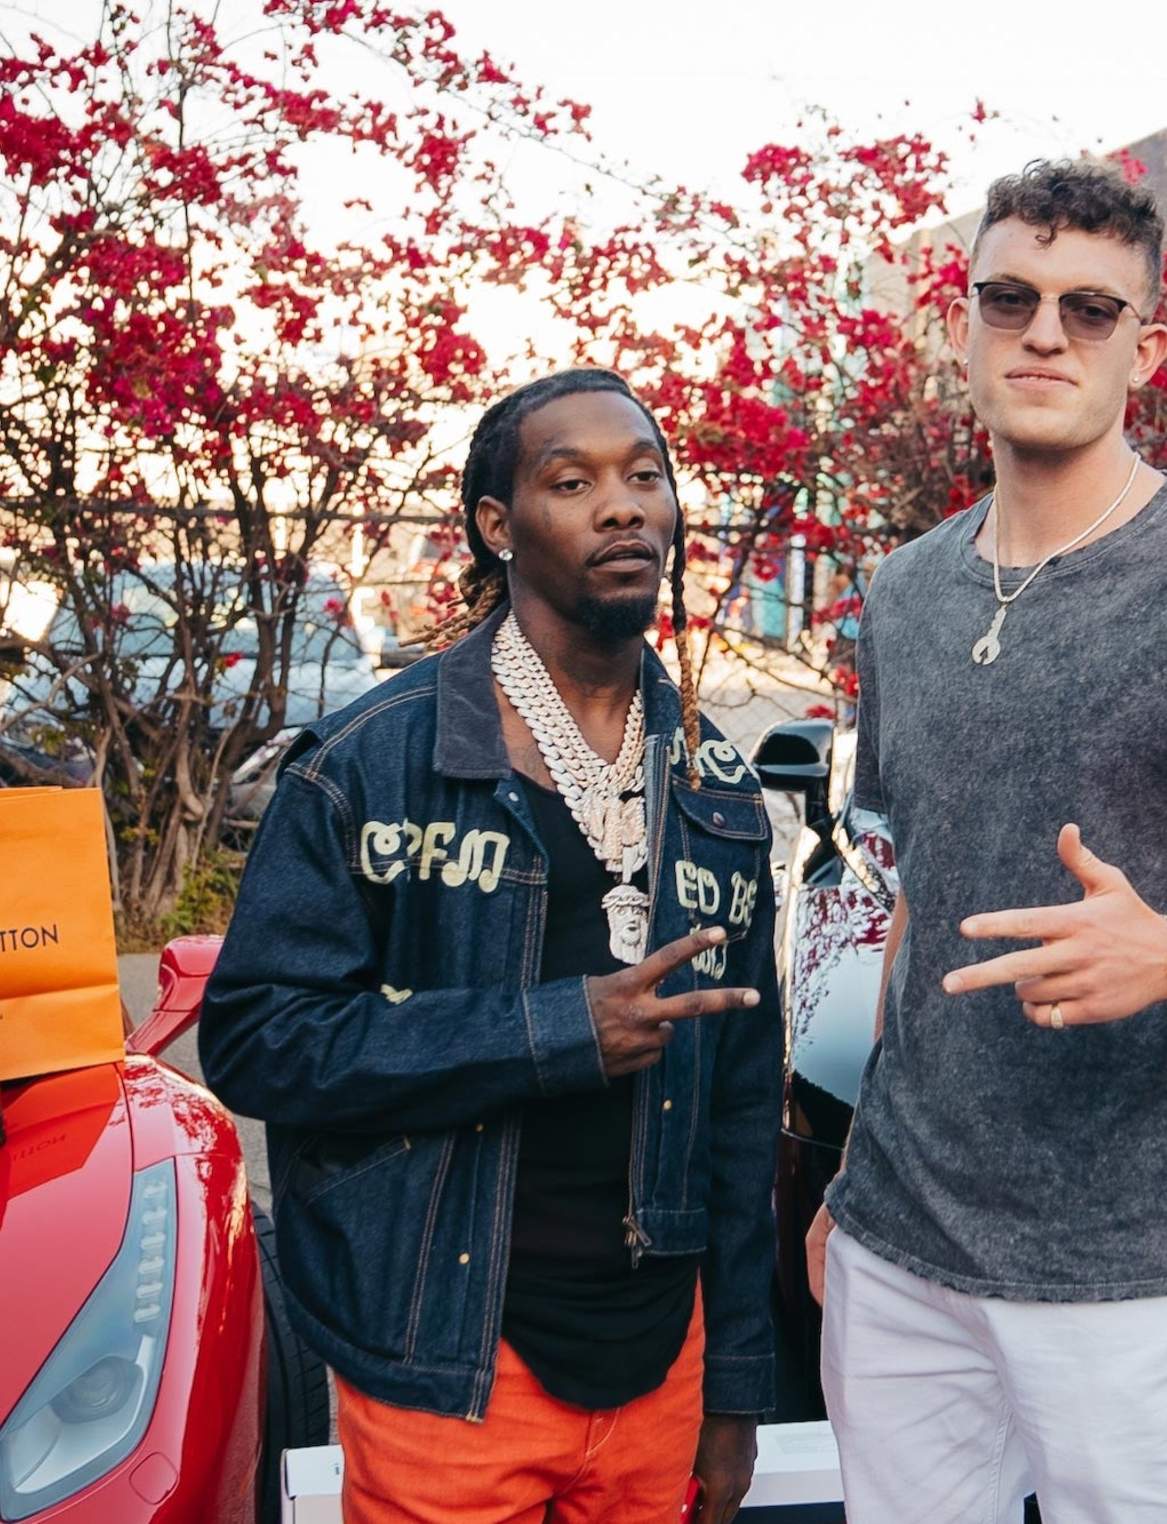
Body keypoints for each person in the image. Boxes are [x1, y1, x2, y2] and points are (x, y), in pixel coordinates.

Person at [805, 159, 1167, 1522]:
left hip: (1123, 1281)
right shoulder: (905, 593)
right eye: (1009, 298)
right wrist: (856, 1170)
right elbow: (917, 905)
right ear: (963, 325)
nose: (1044, 333)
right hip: (899, 1253)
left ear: (1145, 350)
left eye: (1089, 308)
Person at [201, 368, 783, 1524]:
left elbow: (741, 1108)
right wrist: (552, 1032)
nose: (622, 506)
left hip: (659, 1364)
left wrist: (735, 1386)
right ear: (496, 524)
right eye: (572, 482)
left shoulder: (715, 786)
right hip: (451, 1359)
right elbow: (260, 1041)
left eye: (645, 476)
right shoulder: (373, 763)